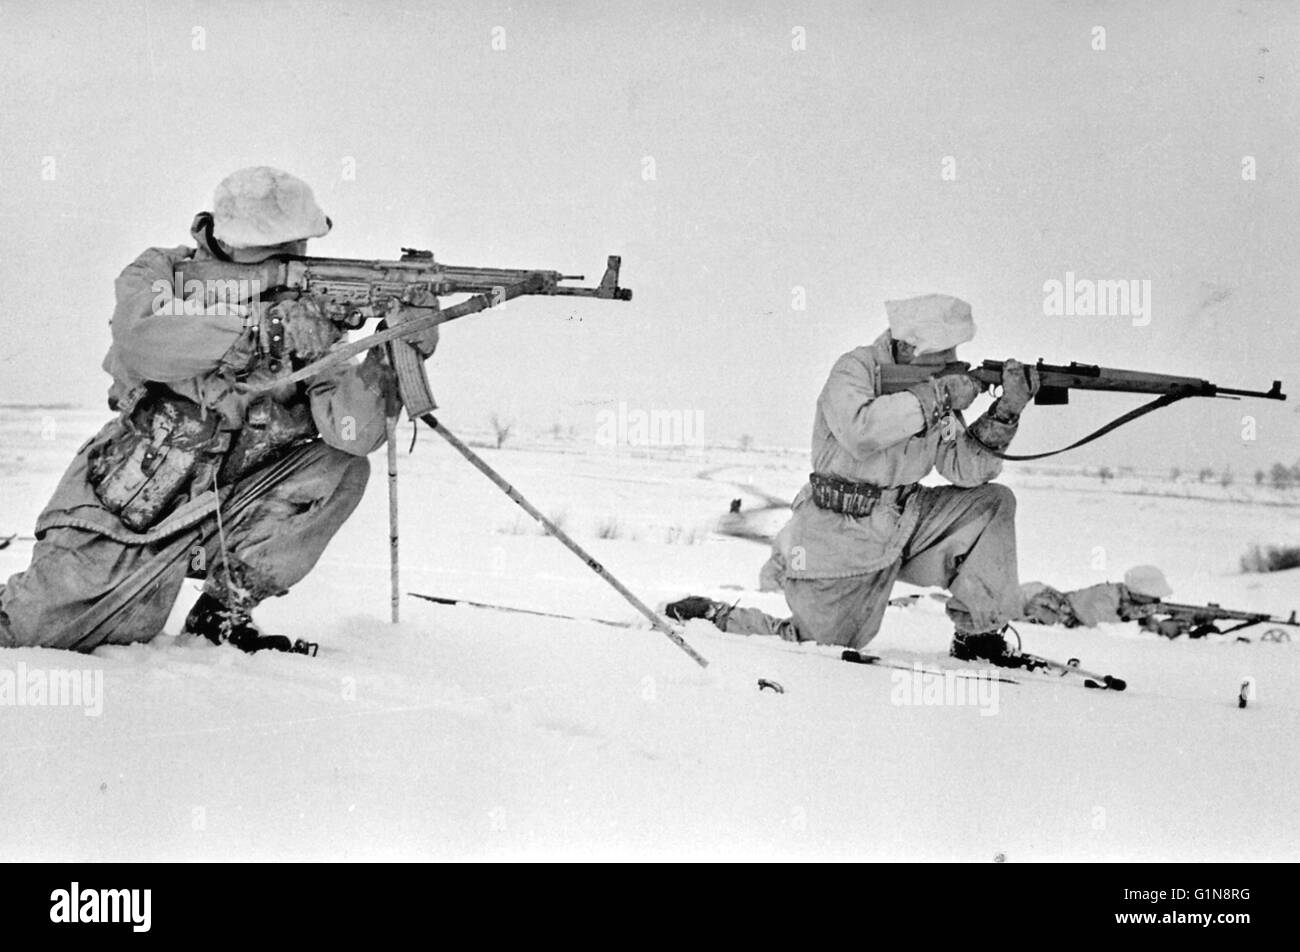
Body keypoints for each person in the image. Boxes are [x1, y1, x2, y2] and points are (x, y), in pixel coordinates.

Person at [0, 167, 437, 654]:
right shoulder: (160, 273)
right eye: (280, 247)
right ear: (232, 241)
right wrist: (256, 328)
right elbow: (141, 339)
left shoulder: (304, 316)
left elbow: (352, 433)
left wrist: (391, 354)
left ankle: (222, 615)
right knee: (26, 635)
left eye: (298, 245)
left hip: (227, 504)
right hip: (123, 508)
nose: (294, 258)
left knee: (341, 469)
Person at [668, 294, 1041, 666]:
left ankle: (977, 638)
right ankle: (717, 618)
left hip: (908, 520)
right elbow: (862, 432)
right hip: (840, 531)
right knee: (819, 647)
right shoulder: (855, 370)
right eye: (944, 353)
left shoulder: (932, 387)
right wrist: (938, 395)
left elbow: (964, 469)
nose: (954, 362)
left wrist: (1007, 410)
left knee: (992, 503)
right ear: (909, 347)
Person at [1019, 565, 1172, 630]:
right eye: (1153, 598)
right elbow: (1097, 623)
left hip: (1044, 598)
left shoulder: (1122, 594)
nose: (1156, 601)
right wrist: (1142, 613)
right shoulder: (1107, 596)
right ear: (1140, 593)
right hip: (1040, 600)